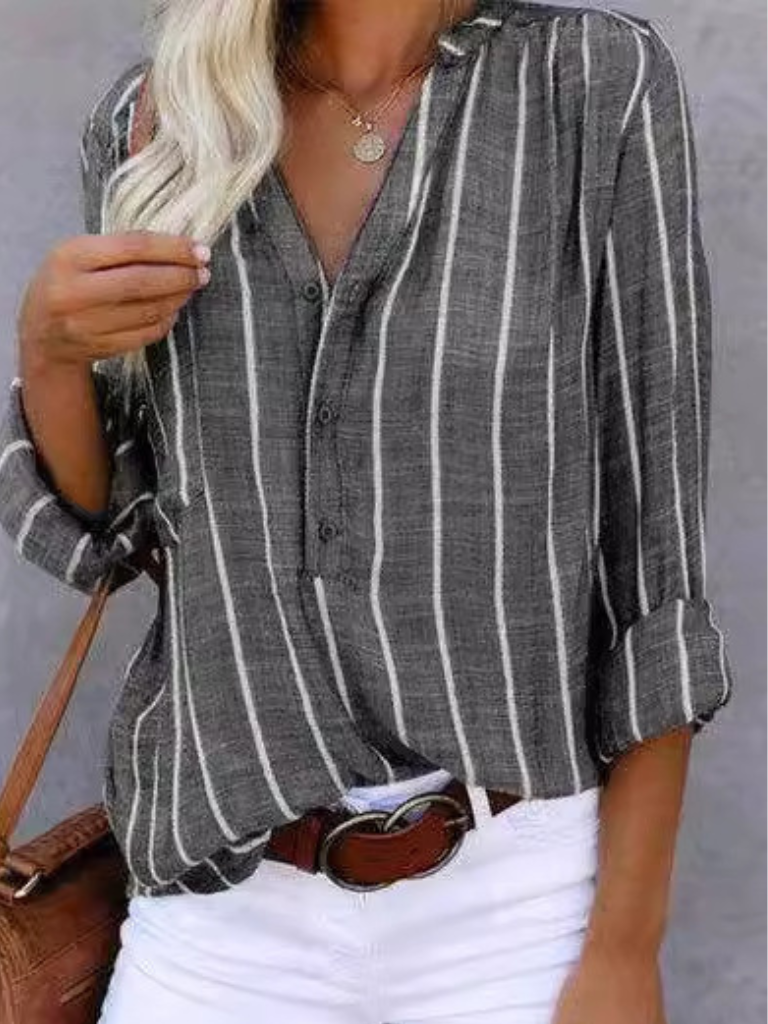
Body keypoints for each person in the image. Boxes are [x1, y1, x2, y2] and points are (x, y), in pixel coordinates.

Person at [0, 0, 735, 1021]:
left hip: (517, 913)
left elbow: (655, 562)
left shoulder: (588, 83)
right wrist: (49, 353)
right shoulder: (160, 123)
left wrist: (624, 948)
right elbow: (115, 533)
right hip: (223, 914)